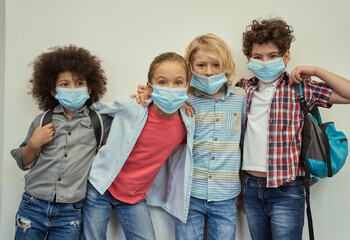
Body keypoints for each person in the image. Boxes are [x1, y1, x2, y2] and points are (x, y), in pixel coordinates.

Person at [238, 17, 350, 240]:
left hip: (287, 188)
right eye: (258, 57)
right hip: (251, 187)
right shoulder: (243, 88)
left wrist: (316, 70)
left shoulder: (300, 88)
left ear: (286, 56)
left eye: (272, 56)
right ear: (249, 58)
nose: (265, 62)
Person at [81, 52, 195, 240]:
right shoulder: (134, 105)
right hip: (101, 186)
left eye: (178, 83)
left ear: (186, 86)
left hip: (134, 197)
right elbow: (97, 110)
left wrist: (184, 103)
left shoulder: (186, 124)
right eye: (162, 82)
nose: (170, 88)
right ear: (150, 87)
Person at [11, 45, 110, 240]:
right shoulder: (42, 120)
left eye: (79, 83)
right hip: (33, 205)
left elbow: (130, 127)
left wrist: (143, 99)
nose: (73, 89)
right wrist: (34, 143)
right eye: (65, 84)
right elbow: (23, 163)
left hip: (70, 212)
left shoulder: (99, 121)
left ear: (90, 89)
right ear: (54, 91)